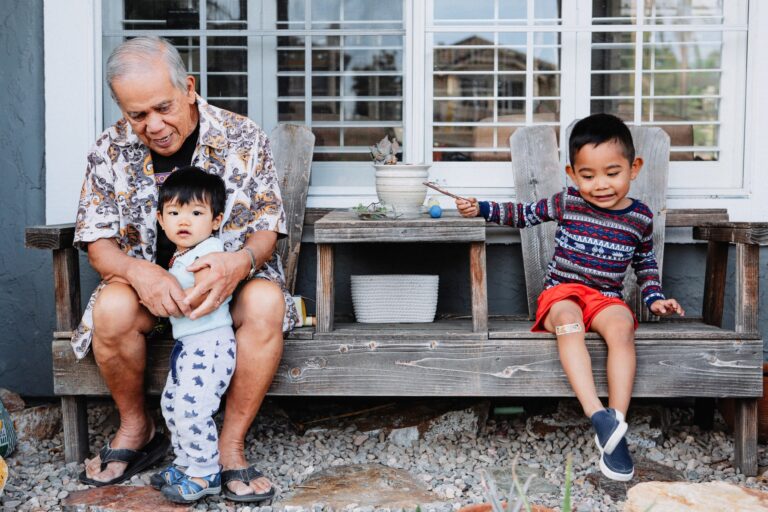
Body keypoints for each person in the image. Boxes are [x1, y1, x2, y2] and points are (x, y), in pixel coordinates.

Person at [74, 36, 297, 503]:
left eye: (163, 107)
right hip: (149, 294)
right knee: (111, 309)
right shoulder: (108, 152)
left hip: (228, 287)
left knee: (266, 299)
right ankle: (138, 429)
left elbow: (268, 227)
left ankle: (229, 446)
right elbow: (97, 243)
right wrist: (140, 274)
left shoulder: (242, 137)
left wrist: (240, 263)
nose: (153, 126)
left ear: (189, 88)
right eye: (138, 115)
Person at [456, 113, 685, 482]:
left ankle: (616, 424)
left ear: (634, 167)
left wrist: (656, 297)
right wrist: (482, 208)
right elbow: (524, 214)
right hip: (561, 293)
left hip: (606, 296)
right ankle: (597, 414)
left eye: (612, 173)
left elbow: (645, 264)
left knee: (623, 326)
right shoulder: (568, 202)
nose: (601, 185)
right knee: (568, 320)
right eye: (588, 175)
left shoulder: (639, 217)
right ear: (573, 173)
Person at [151, 166, 234, 502]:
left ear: (216, 220)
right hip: (189, 345)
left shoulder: (210, 254)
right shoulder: (183, 254)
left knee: (192, 408)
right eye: (174, 213)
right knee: (172, 403)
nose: (183, 221)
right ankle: (186, 463)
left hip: (210, 344)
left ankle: (205, 473)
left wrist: (157, 289)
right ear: (160, 219)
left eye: (196, 212)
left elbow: (194, 292)